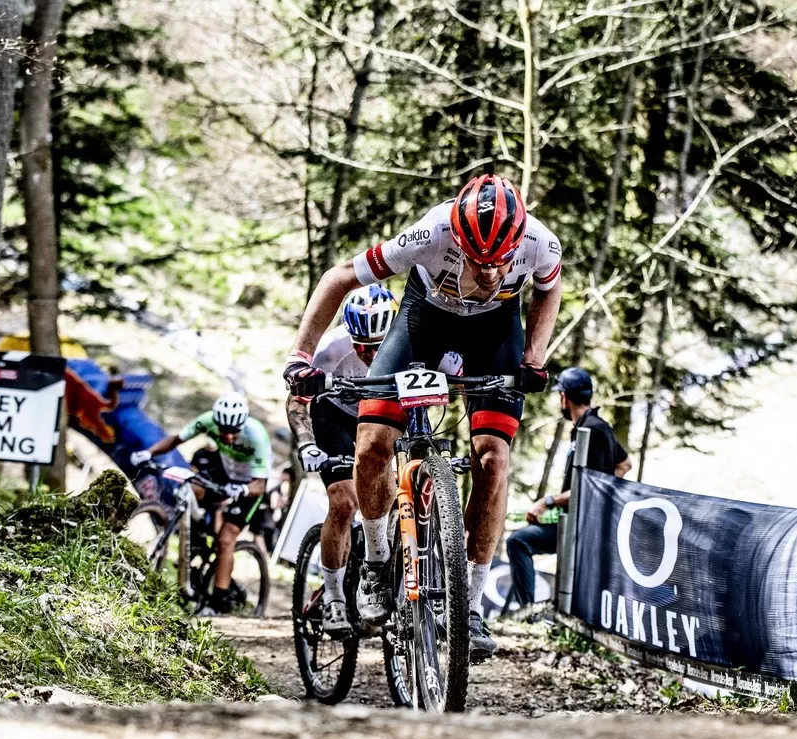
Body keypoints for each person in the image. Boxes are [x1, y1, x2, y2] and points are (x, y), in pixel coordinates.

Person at [284, 173, 563, 661]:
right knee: (371, 445)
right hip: (424, 323)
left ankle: (470, 605)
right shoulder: (429, 233)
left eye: (500, 263)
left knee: (494, 461)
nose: (490, 274)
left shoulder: (542, 243)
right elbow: (337, 278)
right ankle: (375, 560)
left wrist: (535, 356)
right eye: (478, 262)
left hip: (495, 334)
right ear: (457, 237)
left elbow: (548, 292)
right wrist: (301, 355)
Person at [285, 285, 399, 638]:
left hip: (381, 418)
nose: (368, 355)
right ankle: (333, 595)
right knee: (345, 502)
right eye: (361, 346)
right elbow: (297, 400)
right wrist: (306, 444)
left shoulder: (410, 342)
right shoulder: (332, 347)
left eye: (377, 346)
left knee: (394, 497)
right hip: (334, 416)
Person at [130, 392, 271, 615]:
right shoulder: (208, 420)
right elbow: (176, 439)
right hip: (224, 474)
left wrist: (243, 489)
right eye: (223, 431)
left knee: (225, 540)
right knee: (190, 488)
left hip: (249, 486)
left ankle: (218, 602)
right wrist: (148, 452)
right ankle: (195, 536)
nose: (227, 437)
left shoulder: (256, 435)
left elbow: (261, 485)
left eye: (233, 432)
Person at [506, 367, 631, 607]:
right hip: (578, 521)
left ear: (564, 397)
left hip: (583, 527)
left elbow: (586, 489)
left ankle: (528, 611)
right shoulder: (597, 425)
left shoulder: (590, 430)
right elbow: (624, 464)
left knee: (517, 542)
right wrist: (604, 493)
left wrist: (547, 502)